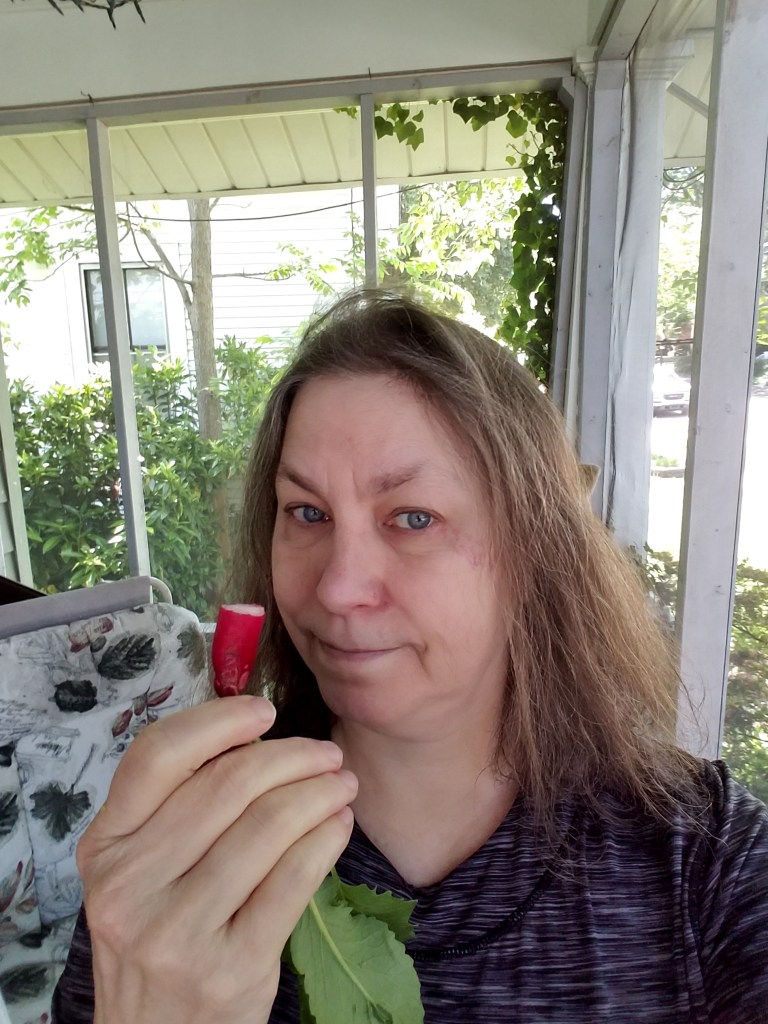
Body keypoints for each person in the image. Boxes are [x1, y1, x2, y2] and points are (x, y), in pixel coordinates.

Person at [53, 289, 768, 1024]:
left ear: (536, 552)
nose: (337, 588)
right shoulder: (178, 852)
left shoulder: (708, 863)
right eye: (307, 513)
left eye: (414, 518)